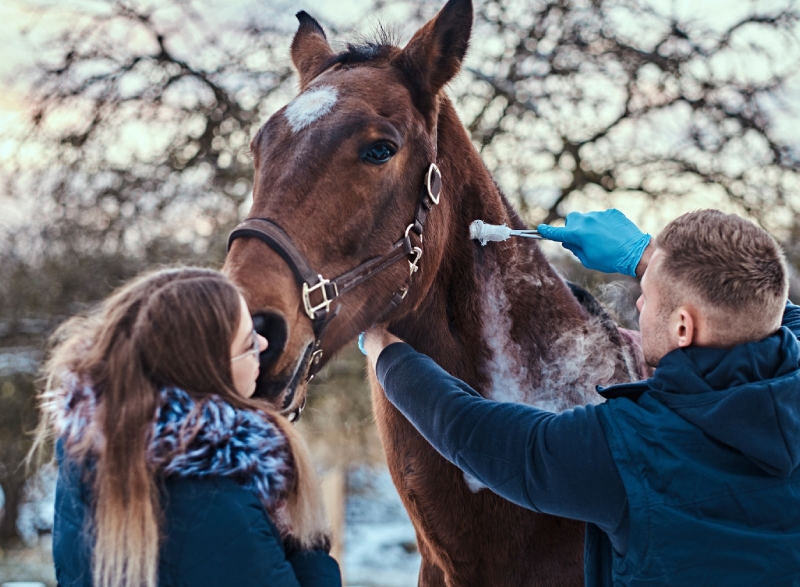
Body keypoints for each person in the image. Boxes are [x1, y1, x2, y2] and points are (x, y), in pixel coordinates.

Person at [362, 209, 800, 587]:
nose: (640, 303)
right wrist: (649, 259)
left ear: (683, 328)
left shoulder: (635, 449)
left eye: (648, 296)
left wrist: (386, 351)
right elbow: (767, 309)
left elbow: (471, 430)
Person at [34, 267, 342, 587]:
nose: (263, 344)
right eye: (248, 343)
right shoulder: (222, 507)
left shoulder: (85, 453)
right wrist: (306, 545)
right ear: (209, 373)